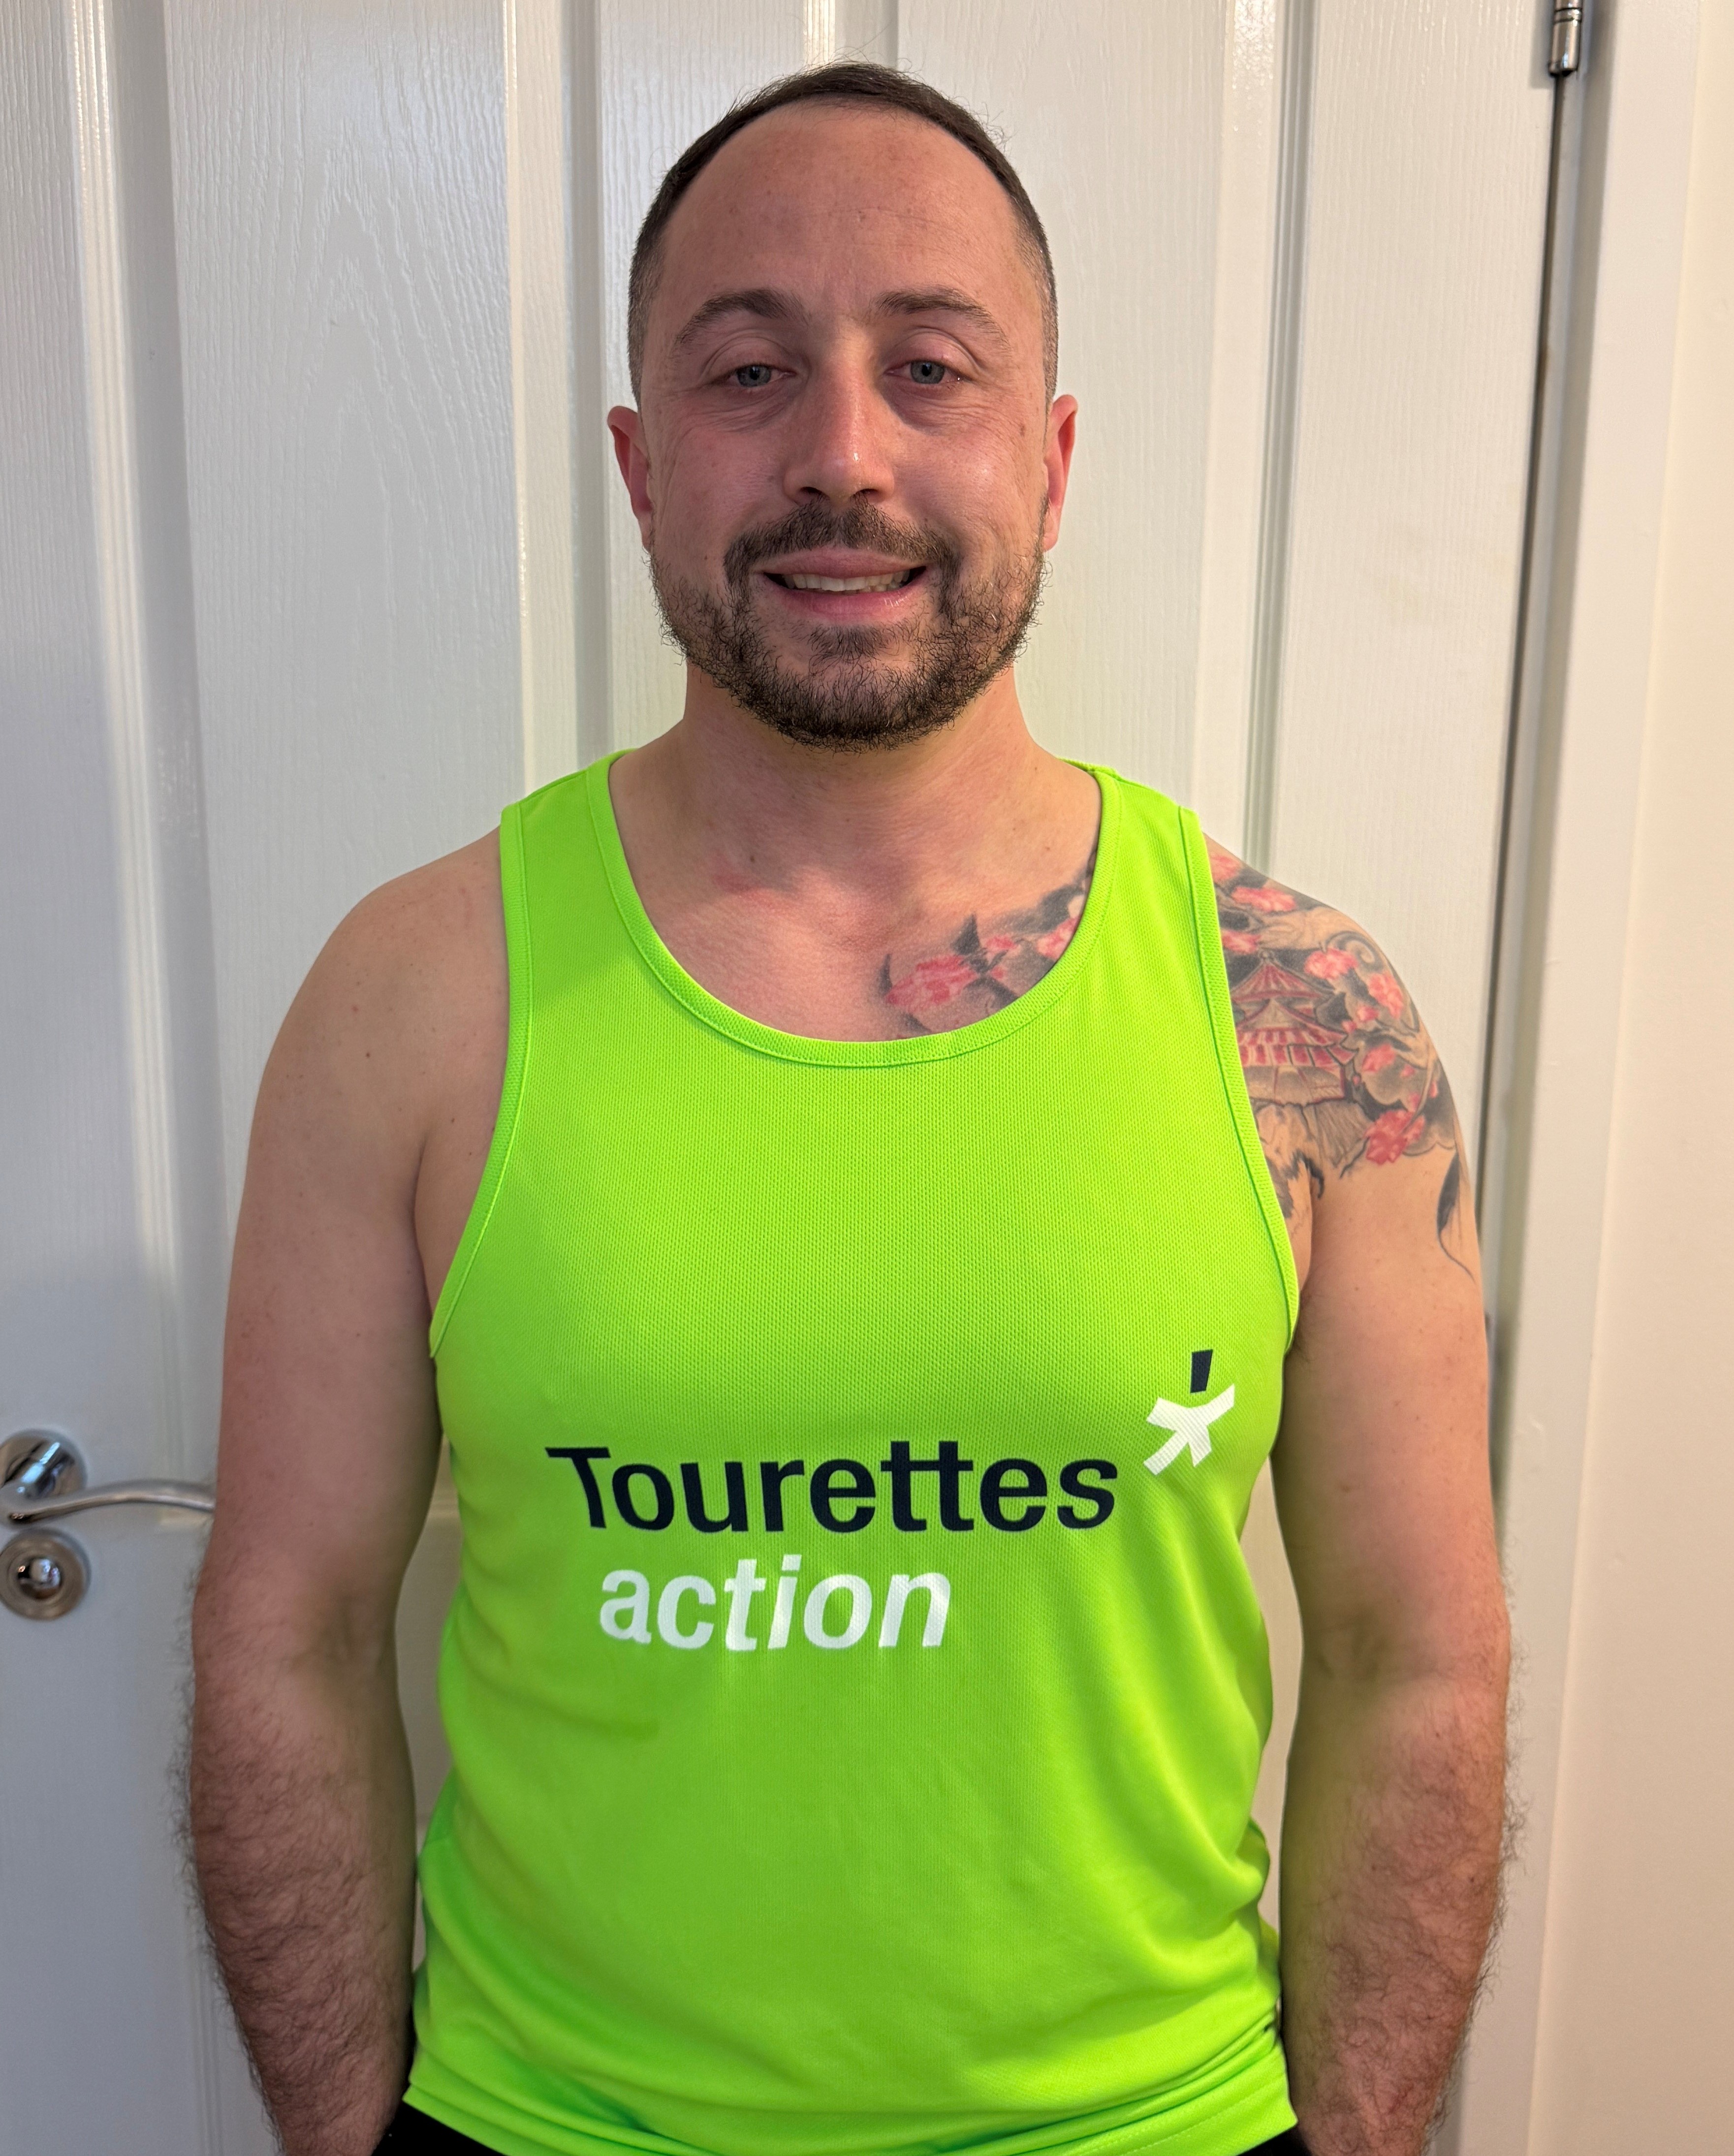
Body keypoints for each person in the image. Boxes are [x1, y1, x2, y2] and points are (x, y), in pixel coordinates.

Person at [190, 62, 1508, 2156]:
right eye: (748, 371)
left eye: (929, 367)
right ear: (640, 467)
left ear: (1049, 460)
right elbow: (288, 1632)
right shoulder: (412, 1001)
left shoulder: (1299, 1019)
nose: (840, 454)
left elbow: (1413, 1661)